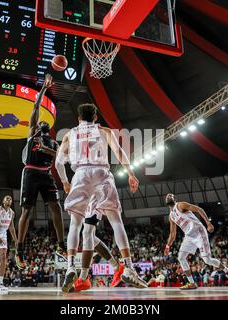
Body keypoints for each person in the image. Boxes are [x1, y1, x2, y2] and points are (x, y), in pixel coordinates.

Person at [55, 103, 147, 293]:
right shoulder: (104, 130)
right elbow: (120, 153)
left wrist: (65, 182)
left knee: (75, 224)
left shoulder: (69, 134)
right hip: (101, 173)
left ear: (78, 119)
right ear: (95, 117)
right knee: (116, 221)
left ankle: (71, 267)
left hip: (80, 174)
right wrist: (131, 173)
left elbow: (58, 163)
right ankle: (128, 268)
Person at [16, 74, 65, 269]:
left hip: (46, 174)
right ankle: (19, 250)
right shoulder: (32, 133)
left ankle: (61, 244)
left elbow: (60, 156)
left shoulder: (53, 141)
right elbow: (36, 107)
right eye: (39, 122)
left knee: (56, 207)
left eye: (44, 123)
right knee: (27, 211)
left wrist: (46, 150)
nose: (41, 123)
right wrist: (44, 89)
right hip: (30, 173)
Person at [163, 193, 227, 290]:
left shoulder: (180, 205)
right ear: (165, 201)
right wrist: (167, 246)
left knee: (207, 260)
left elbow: (198, 209)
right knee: (181, 257)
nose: (168, 196)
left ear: (174, 199)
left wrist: (208, 223)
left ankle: (226, 270)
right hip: (189, 236)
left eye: (170, 195)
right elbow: (172, 233)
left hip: (198, 231)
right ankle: (192, 283)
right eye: (167, 197)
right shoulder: (171, 216)